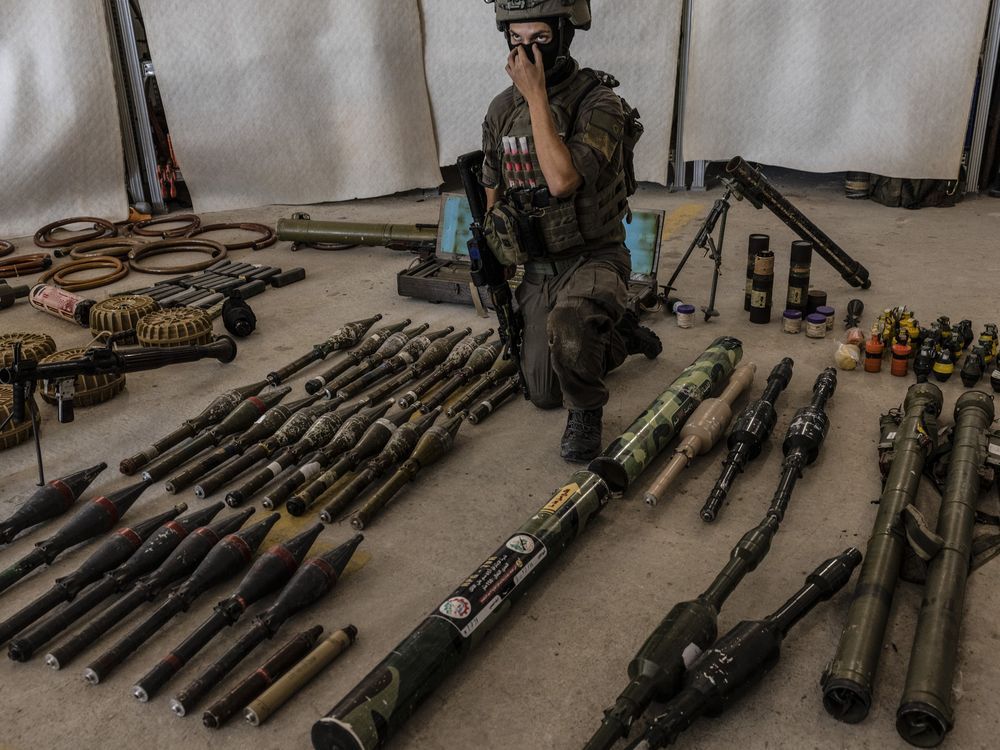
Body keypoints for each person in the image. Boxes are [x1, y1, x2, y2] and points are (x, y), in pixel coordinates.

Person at [480, 0, 661, 462]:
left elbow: (562, 180)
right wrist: (497, 253)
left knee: (571, 330)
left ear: (564, 35)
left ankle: (587, 412)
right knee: (542, 391)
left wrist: (537, 97)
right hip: (540, 265)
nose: (527, 54)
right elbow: (493, 186)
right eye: (516, 41)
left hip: (592, 255)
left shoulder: (598, 103)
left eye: (540, 40)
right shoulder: (501, 109)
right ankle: (620, 332)